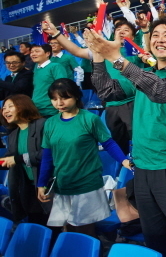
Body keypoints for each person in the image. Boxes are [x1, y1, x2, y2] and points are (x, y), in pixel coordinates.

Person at [87, 18, 166, 257]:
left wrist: (118, 59)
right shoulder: (142, 74)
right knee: (155, 237)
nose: (159, 39)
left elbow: (162, 91)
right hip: (142, 168)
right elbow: (106, 91)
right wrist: (98, 55)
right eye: (155, 35)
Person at [37, 79, 130, 238]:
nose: (59, 103)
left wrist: (124, 161)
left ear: (76, 97)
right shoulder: (50, 123)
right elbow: (47, 156)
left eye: (65, 97)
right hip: (63, 184)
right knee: (68, 230)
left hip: (86, 183)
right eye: (54, 99)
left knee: (85, 231)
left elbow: (108, 143)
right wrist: (41, 183)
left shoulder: (89, 119)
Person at [42, 20, 143, 155]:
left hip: (132, 102)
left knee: (140, 139)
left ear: (133, 36)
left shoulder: (135, 51)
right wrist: (56, 33)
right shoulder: (103, 51)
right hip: (111, 104)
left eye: (126, 30)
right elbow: (76, 50)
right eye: (118, 29)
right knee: (119, 143)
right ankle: (126, 169)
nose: (122, 31)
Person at [0, 95, 49, 226]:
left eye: (10, 106)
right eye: (3, 108)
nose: (5, 111)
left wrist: (18, 159)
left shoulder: (42, 125)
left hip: (48, 185)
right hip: (28, 188)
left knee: (53, 228)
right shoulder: (13, 135)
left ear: (24, 106)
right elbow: (8, 160)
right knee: (36, 225)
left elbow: (49, 153)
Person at [29, 44, 67, 118]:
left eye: (37, 51)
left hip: (51, 110)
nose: (33, 54)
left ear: (47, 53)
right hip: (36, 109)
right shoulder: (36, 68)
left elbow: (62, 87)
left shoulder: (55, 66)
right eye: (31, 52)